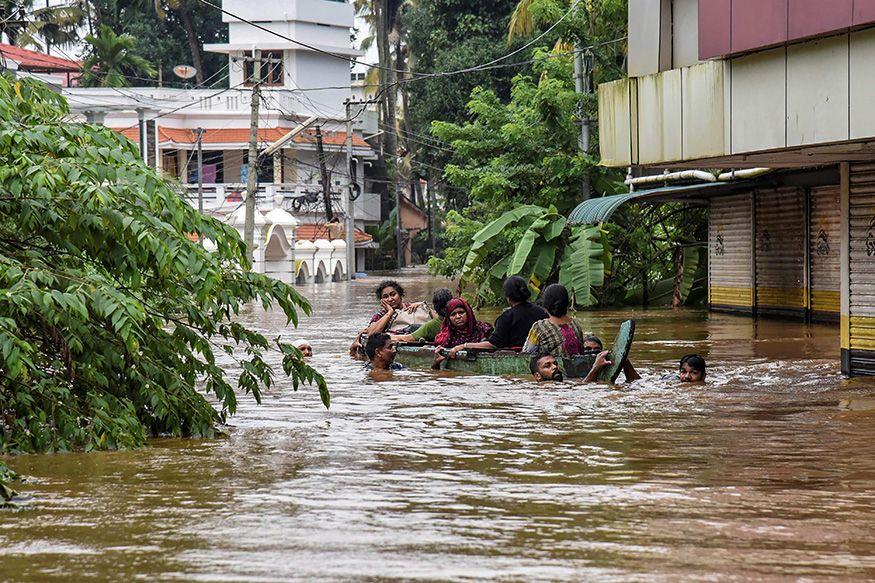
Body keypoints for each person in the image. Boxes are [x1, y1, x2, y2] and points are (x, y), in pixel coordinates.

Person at [446, 276, 547, 358]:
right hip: (541, 356)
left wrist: (464, 346)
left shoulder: (506, 317)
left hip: (515, 357)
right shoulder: (542, 312)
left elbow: (493, 345)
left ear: (508, 297)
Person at [523, 284, 586, 357]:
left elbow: (527, 354)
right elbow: (581, 351)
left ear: (546, 305)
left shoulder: (539, 327)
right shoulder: (576, 324)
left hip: (551, 367)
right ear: (566, 304)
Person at [530, 351, 613, 383]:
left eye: (555, 363)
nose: (555, 367)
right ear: (537, 376)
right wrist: (595, 368)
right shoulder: (544, 390)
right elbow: (584, 387)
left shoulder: (568, 382)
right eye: (547, 366)